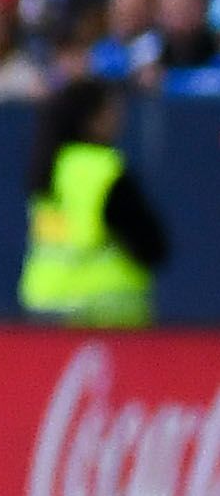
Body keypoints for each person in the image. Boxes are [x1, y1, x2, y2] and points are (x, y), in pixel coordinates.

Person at [21, 79, 169, 325]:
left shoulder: (49, 166)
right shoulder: (103, 170)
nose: (119, 116)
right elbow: (151, 244)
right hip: (100, 310)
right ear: (92, 119)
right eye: (110, 109)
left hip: (44, 302)